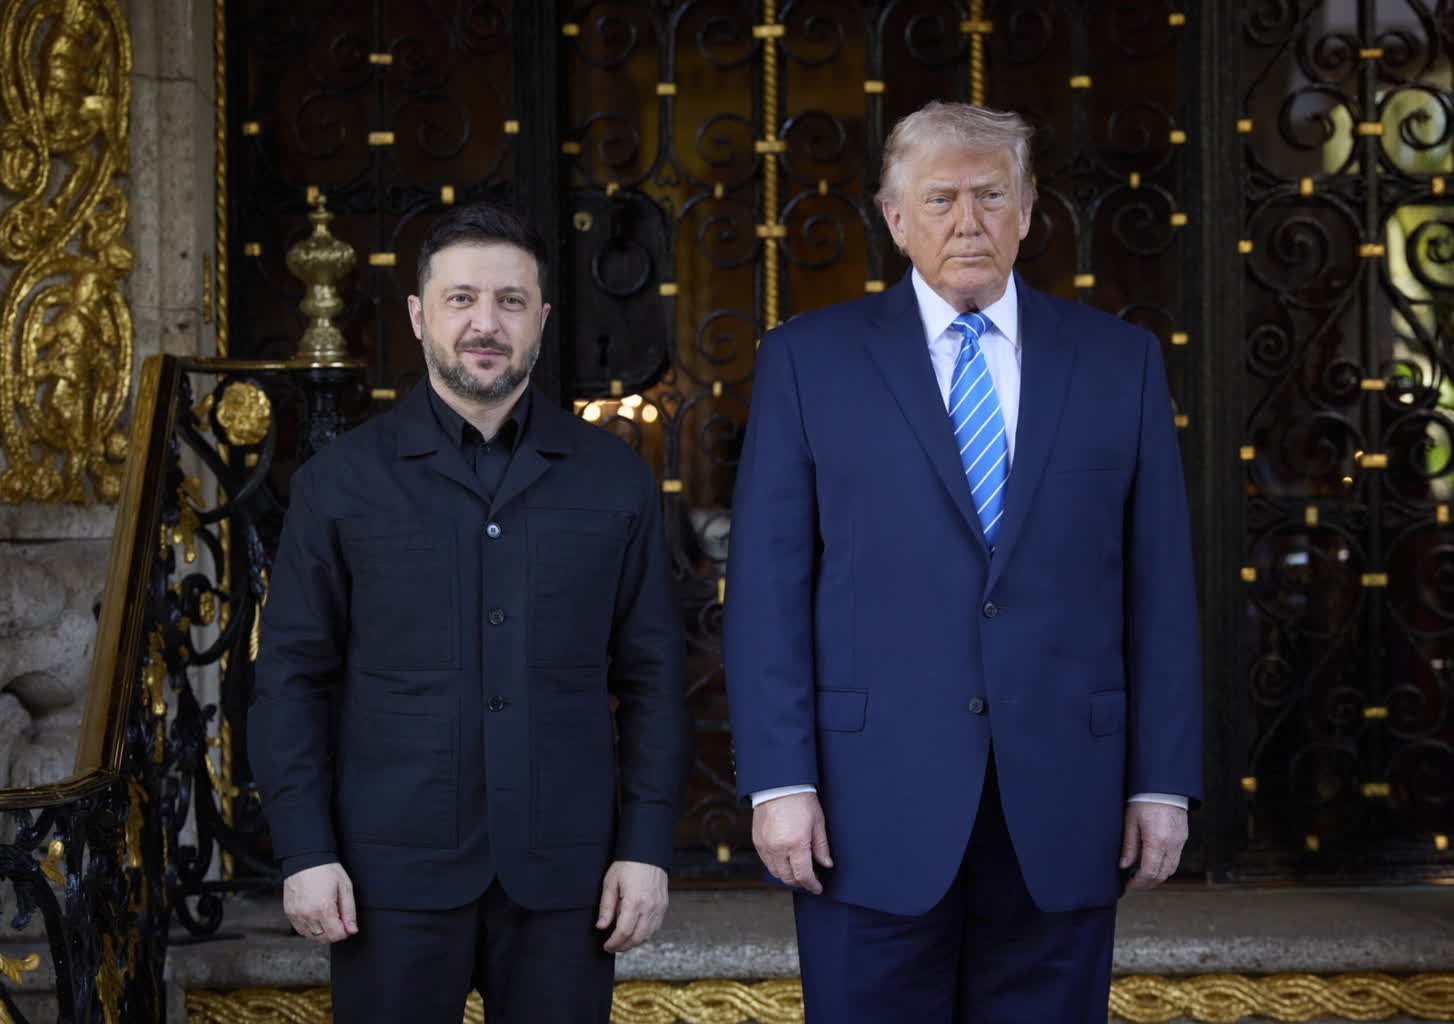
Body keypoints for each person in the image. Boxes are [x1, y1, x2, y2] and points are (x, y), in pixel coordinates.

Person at [723, 101, 1202, 1023]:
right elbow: (768, 594)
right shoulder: (808, 362)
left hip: (1066, 801)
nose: (968, 221)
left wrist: (1161, 782)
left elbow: (1160, 589)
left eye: (990, 195)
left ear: (1028, 211)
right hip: (865, 809)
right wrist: (780, 782)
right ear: (896, 219)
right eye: (940, 199)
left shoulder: (1121, 362)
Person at [249, 202, 693, 1024]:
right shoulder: (339, 484)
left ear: (542, 320)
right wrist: (305, 850)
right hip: (387, 877)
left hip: (568, 877)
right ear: (419, 315)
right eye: (460, 299)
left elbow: (654, 677)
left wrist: (646, 846)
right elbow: (292, 679)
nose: (485, 323)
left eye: (510, 301)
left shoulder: (615, 481)